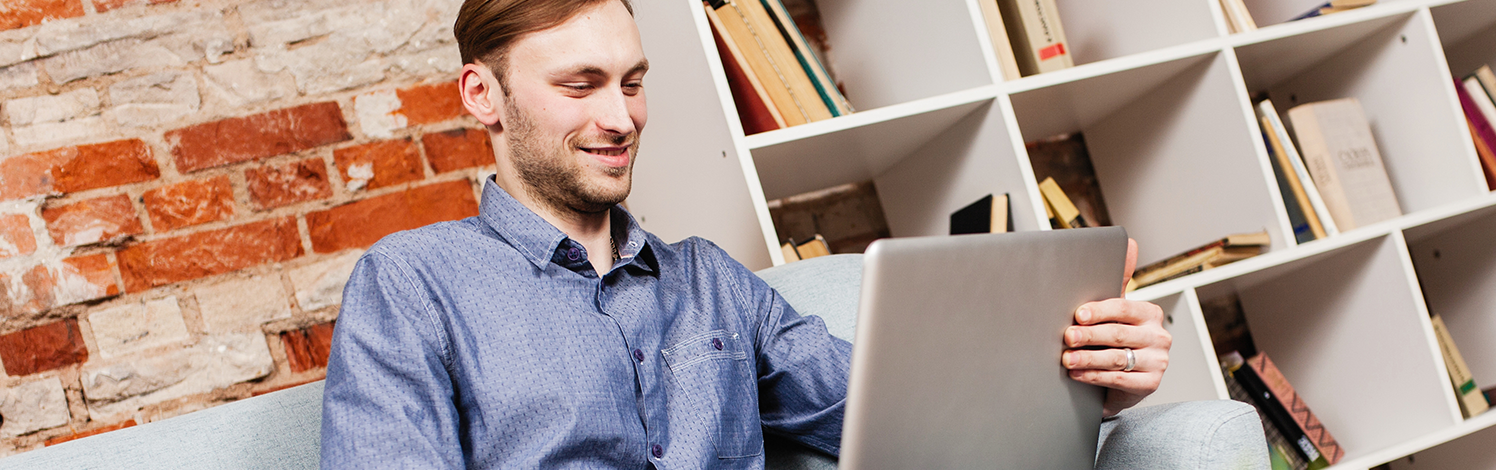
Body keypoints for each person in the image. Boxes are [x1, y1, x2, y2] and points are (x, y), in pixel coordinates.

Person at [318, 0, 1172, 468]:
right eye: (580, 85)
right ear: (482, 96)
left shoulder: (712, 283)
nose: (621, 118)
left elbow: (907, 423)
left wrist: (1091, 375)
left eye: (634, 82)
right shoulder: (413, 285)